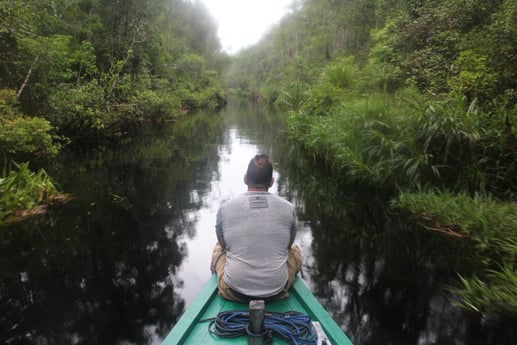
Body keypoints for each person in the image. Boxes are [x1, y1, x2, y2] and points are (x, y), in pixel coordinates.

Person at [210, 154, 302, 302]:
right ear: (271, 182)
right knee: (295, 251)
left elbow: (223, 245)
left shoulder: (225, 208)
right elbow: (288, 245)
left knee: (218, 249)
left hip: (234, 289)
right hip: (277, 289)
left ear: (245, 178)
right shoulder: (288, 208)